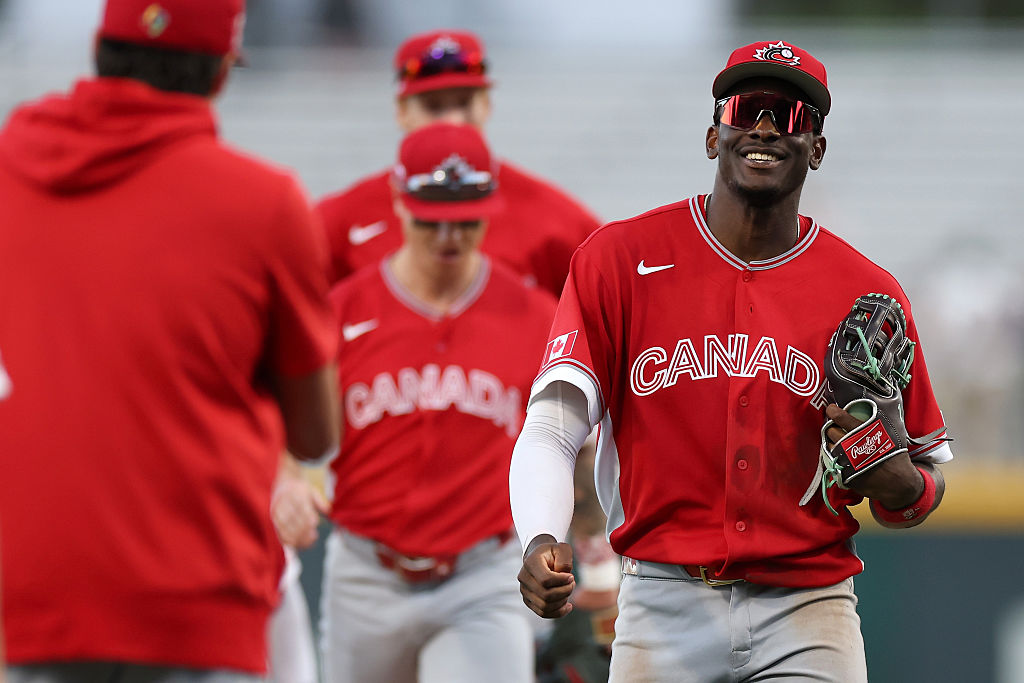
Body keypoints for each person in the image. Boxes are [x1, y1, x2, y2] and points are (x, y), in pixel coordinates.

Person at [509, 40, 954, 683]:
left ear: (818, 149)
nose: (766, 125)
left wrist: (897, 481)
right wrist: (540, 536)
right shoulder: (618, 261)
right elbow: (553, 425)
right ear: (714, 135)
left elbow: (922, 486)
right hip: (661, 601)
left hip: (809, 604)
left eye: (790, 112)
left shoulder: (866, 291)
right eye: (746, 107)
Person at [0, 0, 340, 680]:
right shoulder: (265, 202)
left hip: (36, 591)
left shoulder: (9, 170)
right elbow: (314, 434)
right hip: (199, 599)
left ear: (100, 50)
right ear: (219, 71)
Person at [276, 121, 557, 682]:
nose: (449, 239)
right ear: (400, 209)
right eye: (432, 222)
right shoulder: (344, 310)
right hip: (365, 573)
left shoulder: (534, 315)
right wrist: (285, 480)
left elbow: (571, 441)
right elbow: (282, 417)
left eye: (466, 221)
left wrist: (591, 544)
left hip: (483, 573)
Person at [316, 29, 600, 294]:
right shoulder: (339, 220)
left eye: (464, 103)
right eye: (433, 106)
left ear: (487, 105)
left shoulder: (555, 220)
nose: (453, 120)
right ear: (401, 112)